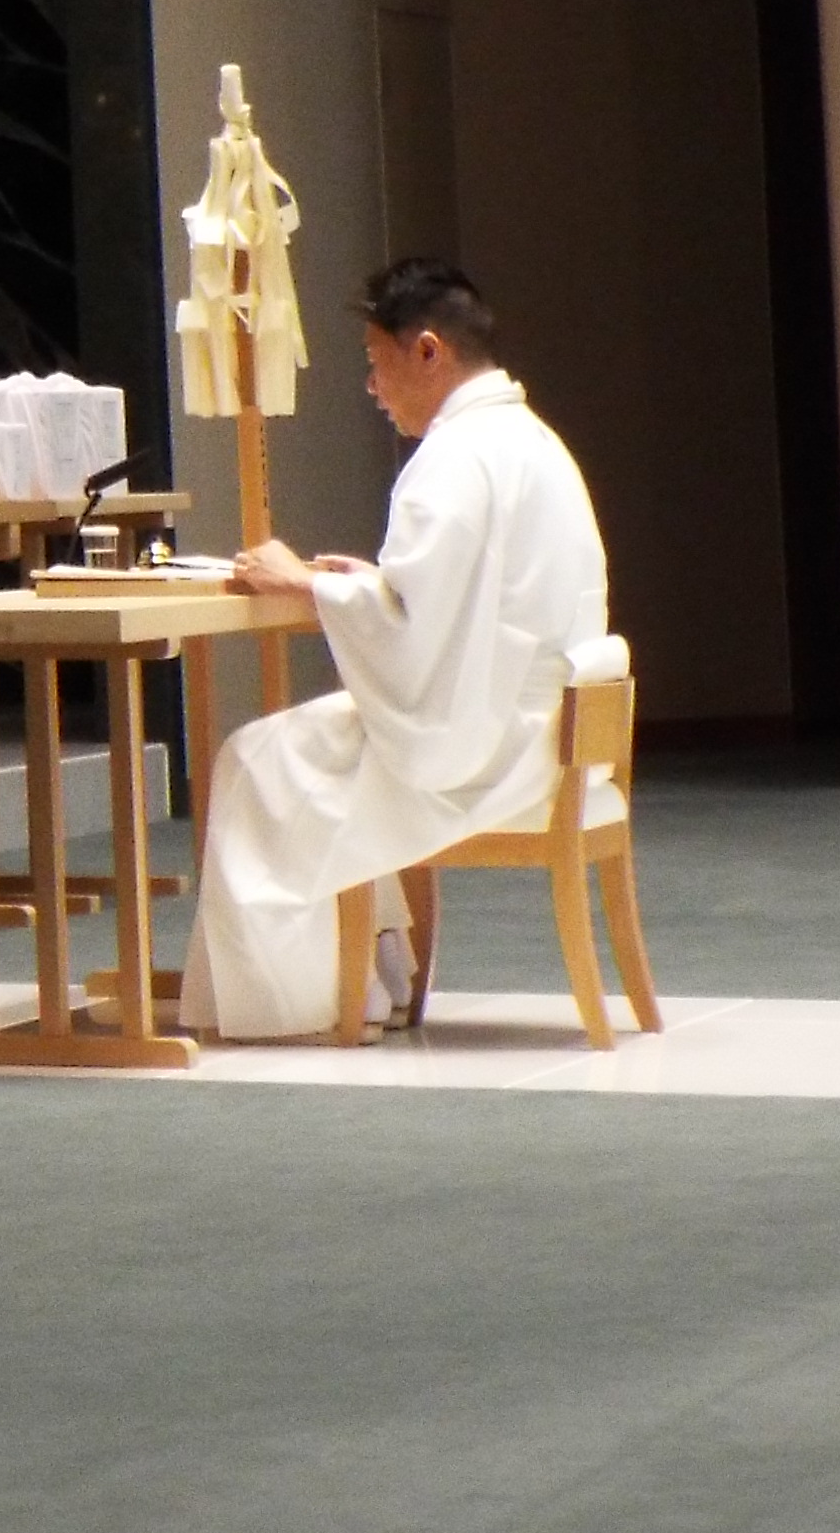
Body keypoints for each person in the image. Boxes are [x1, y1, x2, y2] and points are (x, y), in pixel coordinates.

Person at [177, 258, 613, 1041]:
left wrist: (302, 584)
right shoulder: (530, 440)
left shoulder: (453, 457)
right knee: (305, 757)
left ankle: (304, 1005)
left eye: (378, 363)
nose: (372, 388)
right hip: (541, 732)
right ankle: (371, 982)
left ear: (427, 352)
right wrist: (370, 585)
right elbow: (456, 605)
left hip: (478, 747)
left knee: (252, 759)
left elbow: (416, 633)